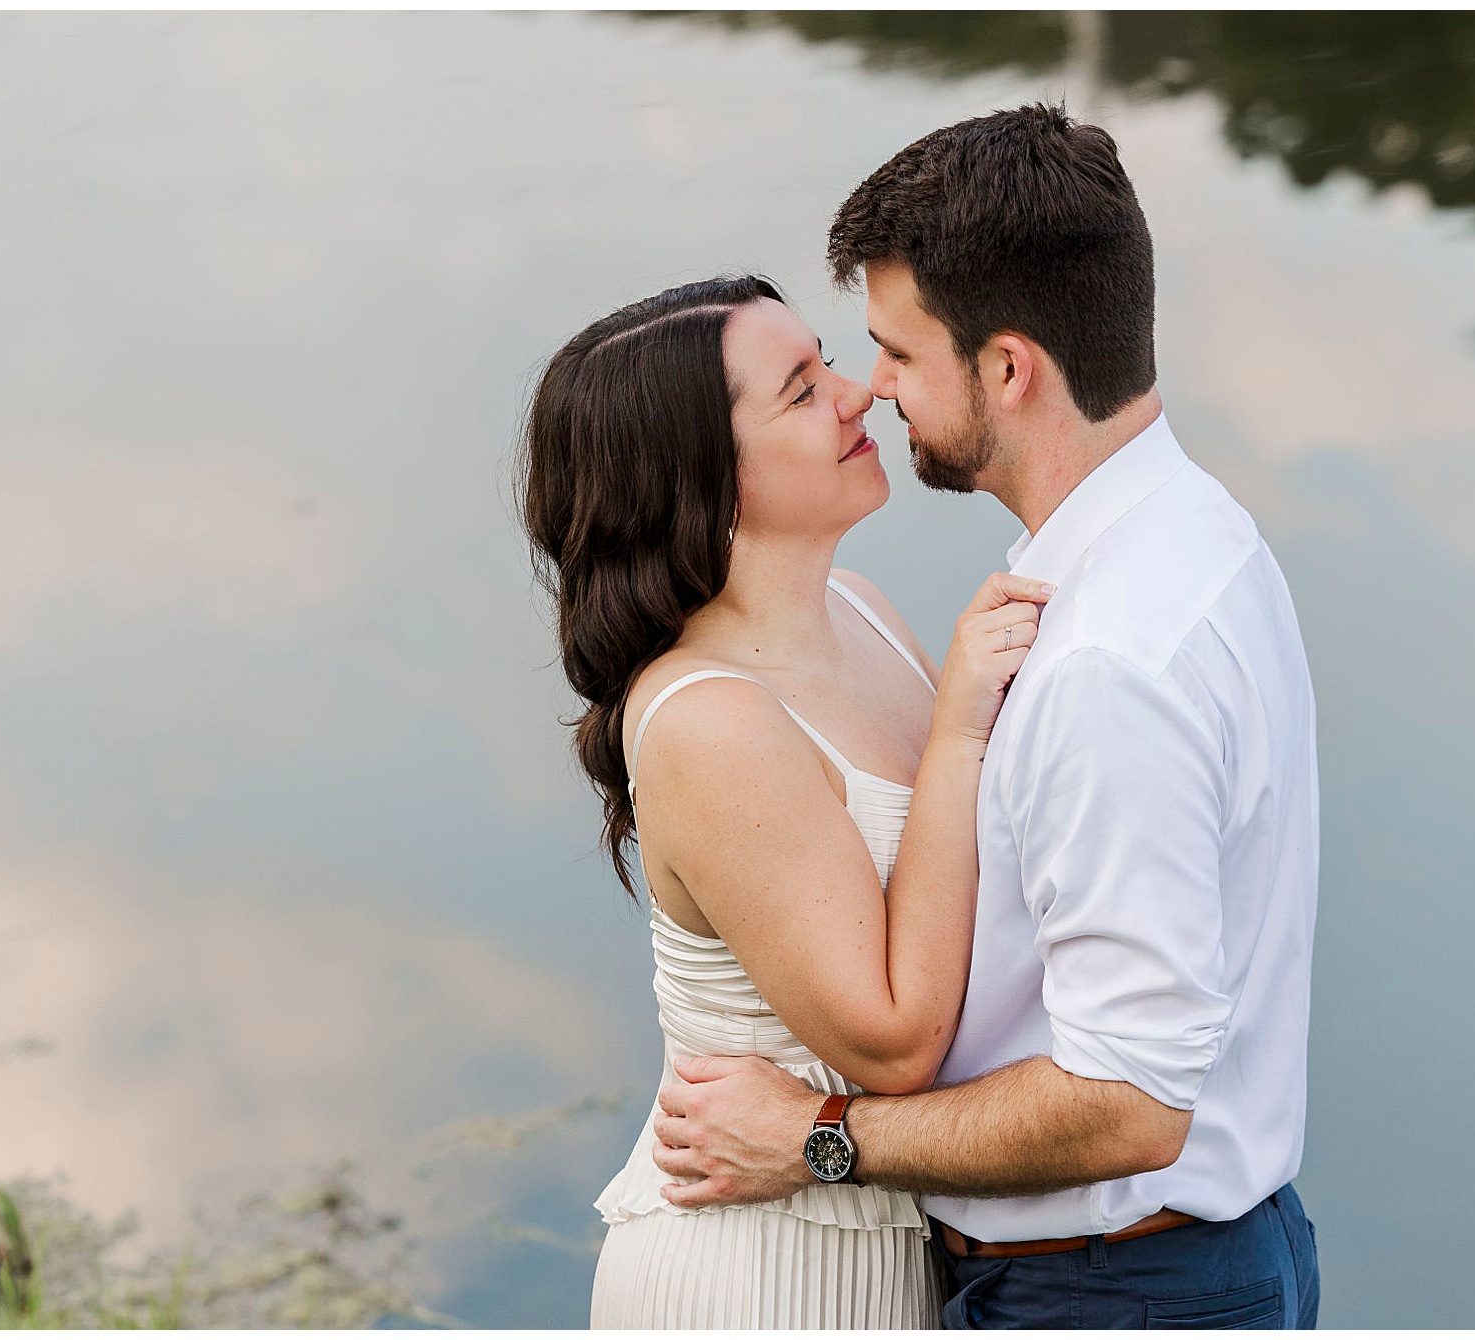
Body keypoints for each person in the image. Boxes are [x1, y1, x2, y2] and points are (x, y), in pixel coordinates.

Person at [652, 105, 1323, 1328]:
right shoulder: (1198, 533)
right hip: (1173, 1260)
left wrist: (820, 1139)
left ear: (1006, 368)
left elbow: (1125, 1100)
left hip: (1107, 1287)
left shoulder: (1104, 659)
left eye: (897, 354)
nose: (874, 391)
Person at [519, 273, 1056, 1327]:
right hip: (760, 1271)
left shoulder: (860, 608)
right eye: (802, 390)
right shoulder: (710, 720)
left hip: (886, 1230)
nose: (860, 393)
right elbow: (891, 1041)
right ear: (702, 480)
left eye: (827, 363)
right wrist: (956, 732)